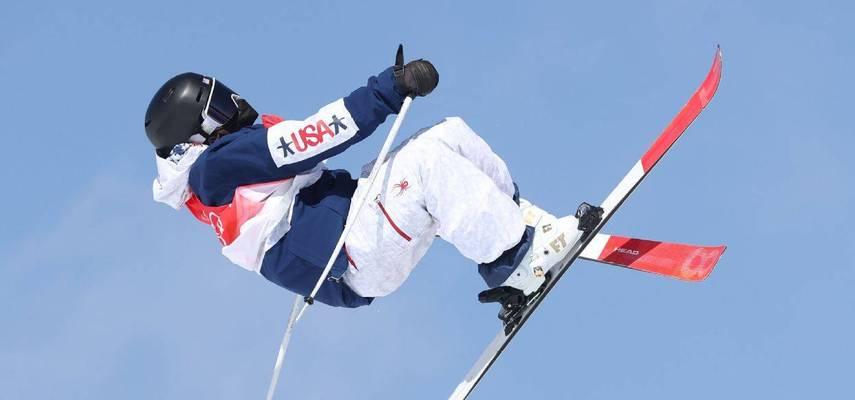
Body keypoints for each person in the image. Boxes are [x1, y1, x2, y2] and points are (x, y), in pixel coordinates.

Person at [146, 46, 584, 308]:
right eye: (222, 107)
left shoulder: (221, 168)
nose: (238, 109)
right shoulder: (215, 167)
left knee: (446, 134)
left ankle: (519, 230)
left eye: (230, 97)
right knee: (426, 163)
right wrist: (389, 88)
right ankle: (515, 264)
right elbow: (313, 138)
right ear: (195, 134)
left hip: (353, 238)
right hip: (350, 257)